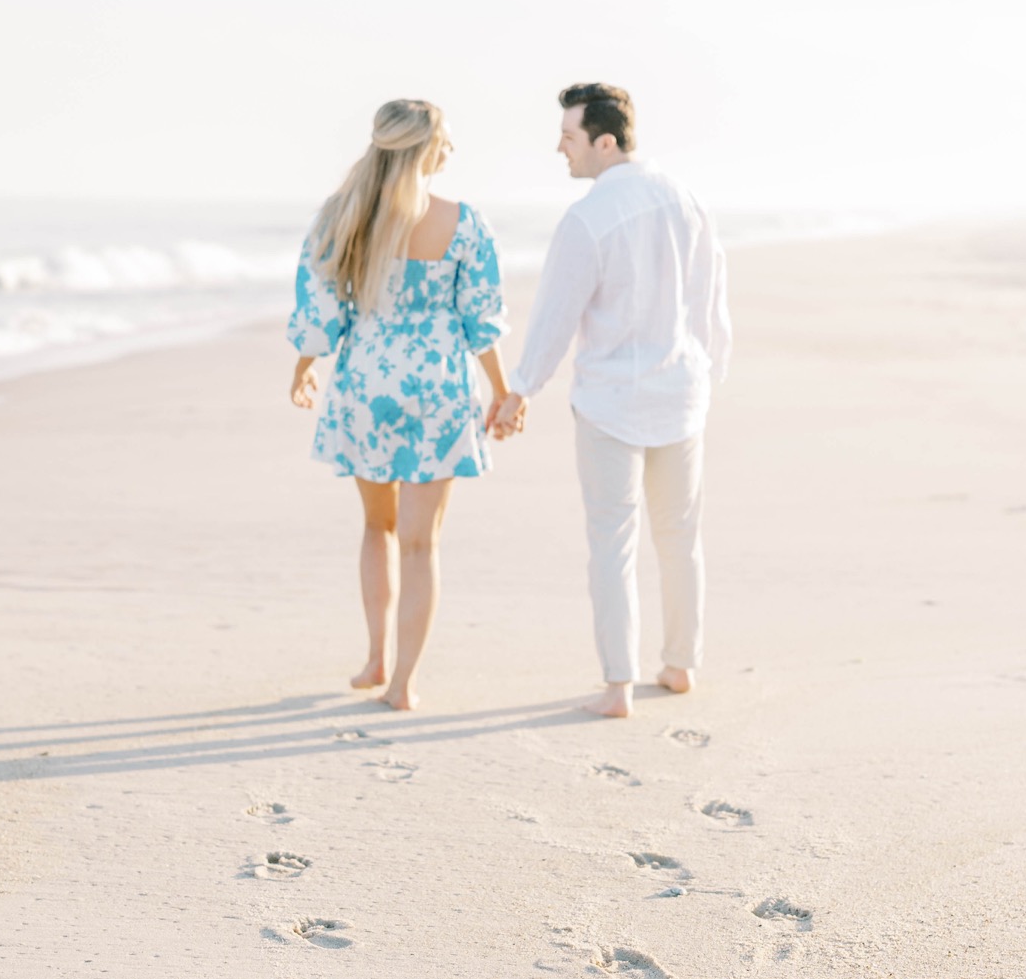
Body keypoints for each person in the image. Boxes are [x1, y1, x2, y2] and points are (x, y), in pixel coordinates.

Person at [492, 83, 730, 719]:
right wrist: (708, 375)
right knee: (680, 536)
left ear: (604, 141)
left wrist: (521, 389)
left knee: (613, 541)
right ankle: (680, 665)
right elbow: (711, 305)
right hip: (681, 393)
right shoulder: (688, 201)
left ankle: (619, 685)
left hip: (610, 402)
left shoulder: (589, 218)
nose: (559, 149)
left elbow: (555, 316)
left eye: (568, 137)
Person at [289, 100, 514, 711]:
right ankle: (403, 683)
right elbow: (481, 319)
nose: (453, 150)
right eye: (447, 139)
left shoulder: (342, 216)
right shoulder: (465, 222)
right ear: (424, 147)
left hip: (366, 384)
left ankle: (375, 656)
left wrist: (306, 363)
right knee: (421, 544)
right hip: (438, 387)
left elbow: (321, 308)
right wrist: (502, 390)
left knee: (376, 527)